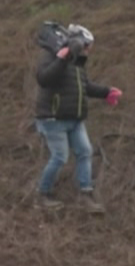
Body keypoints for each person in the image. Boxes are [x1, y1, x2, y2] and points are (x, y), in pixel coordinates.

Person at [33, 25, 121, 213]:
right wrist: (63, 58)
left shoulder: (77, 64)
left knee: (85, 152)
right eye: (86, 45)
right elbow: (44, 79)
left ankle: (85, 195)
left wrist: (106, 92)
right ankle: (42, 195)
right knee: (59, 157)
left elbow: (84, 86)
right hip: (54, 118)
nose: (88, 50)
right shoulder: (52, 56)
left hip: (75, 118)